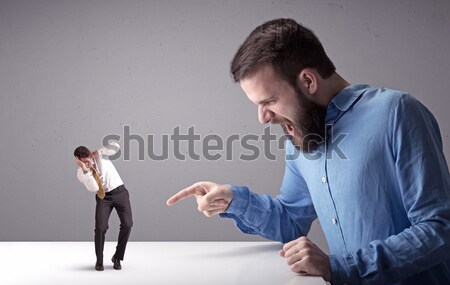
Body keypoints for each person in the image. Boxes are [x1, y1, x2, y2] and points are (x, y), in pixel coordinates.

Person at [167, 18, 450, 284]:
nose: (263, 118)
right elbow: (291, 221)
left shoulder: (397, 112)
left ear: (308, 82)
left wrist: (340, 268)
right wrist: (233, 200)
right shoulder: (303, 136)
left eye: (269, 101)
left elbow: (440, 228)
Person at [74, 141, 133, 271]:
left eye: (88, 159)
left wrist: (99, 151)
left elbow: (116, 146)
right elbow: (94, 187)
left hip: (120, 192)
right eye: (84, 162)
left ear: (90, 155)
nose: (88, 162)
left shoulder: (101, 156)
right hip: (103, 198)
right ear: (78, 161)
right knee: (100, 228)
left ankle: (117, 257)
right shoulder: (81, 173)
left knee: (128, 224)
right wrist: (85, 170)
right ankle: (99, 261)